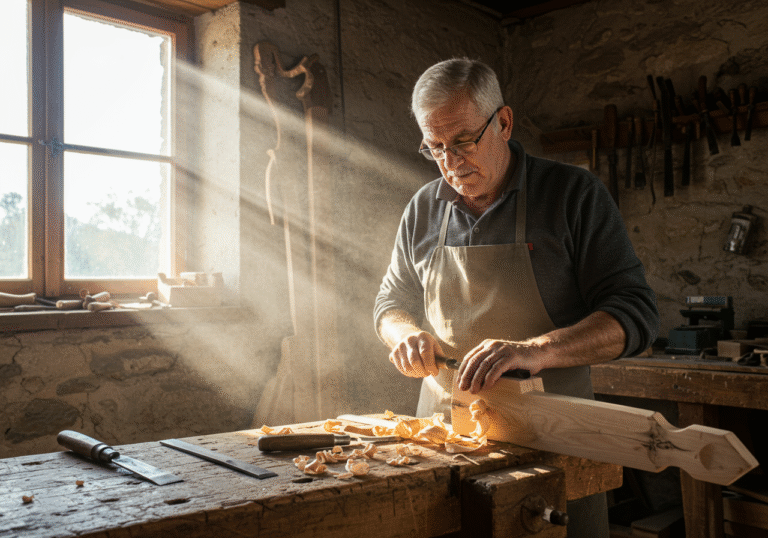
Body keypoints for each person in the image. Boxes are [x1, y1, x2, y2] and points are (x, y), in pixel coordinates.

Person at [374, 58, 659, 538]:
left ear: (503, 123)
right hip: (446, 437)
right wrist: (403, 334)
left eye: (463, 141)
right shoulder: (423, 208)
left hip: (553, 437)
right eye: (435, 147)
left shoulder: (573, 195)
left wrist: (536, 350)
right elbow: (390, 303)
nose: (450, 162)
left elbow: (636, 314)